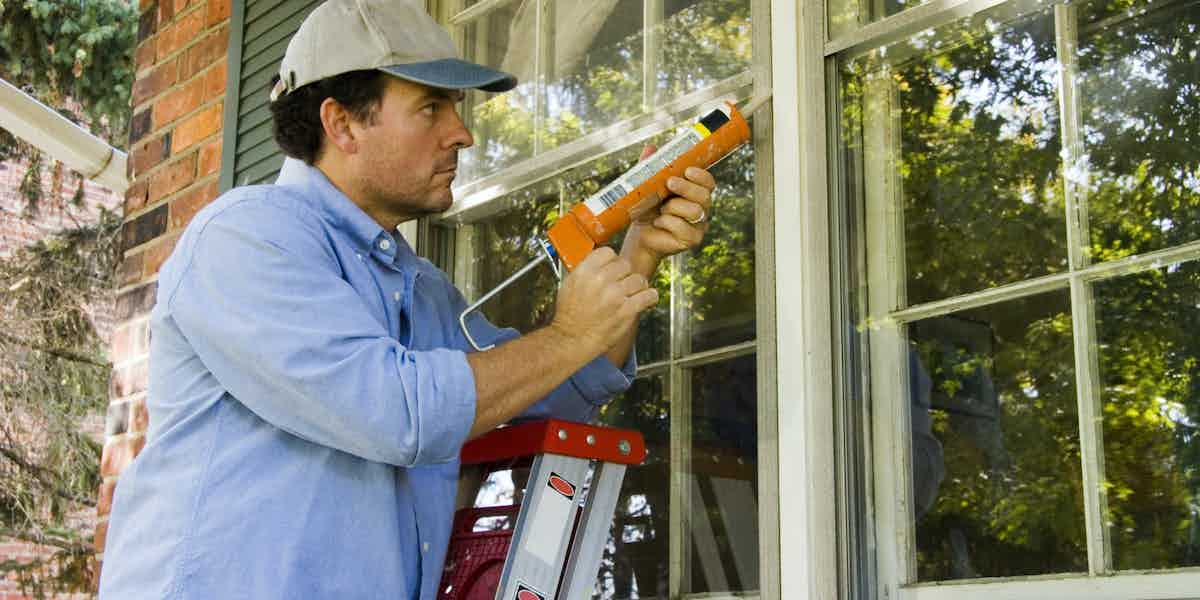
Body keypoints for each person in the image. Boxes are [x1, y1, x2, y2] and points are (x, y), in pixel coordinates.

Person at [98, 0, 718, 598]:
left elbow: (558, 387)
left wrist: (638, 251)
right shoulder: (245, 239)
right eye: (431, 107)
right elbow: (394, 410)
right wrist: (567, 336)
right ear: (342, 123)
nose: (464, 133)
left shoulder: (424, 292)